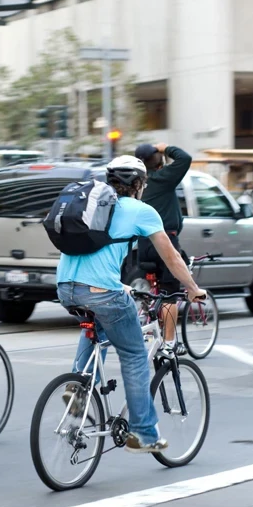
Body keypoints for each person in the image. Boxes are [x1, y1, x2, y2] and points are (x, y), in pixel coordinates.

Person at [58, 155, 205, 453]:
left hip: (65, 287)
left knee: (98, 327)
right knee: (136, 355)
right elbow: (171, 256)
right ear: (139, 184)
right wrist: (192, 287)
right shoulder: (142, 210)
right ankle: (144, 434)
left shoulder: (93, 204)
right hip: (101, 291)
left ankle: (78, 388)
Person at [133, 142, 193, 352]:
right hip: (165, 242)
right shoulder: (163, 178)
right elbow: (185, 158)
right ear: (156, 159)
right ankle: (170, 342)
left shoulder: (138, 183)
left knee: (152, 290)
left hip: (143, 246)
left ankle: (148, 316)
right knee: (170, 294)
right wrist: (166, 147)